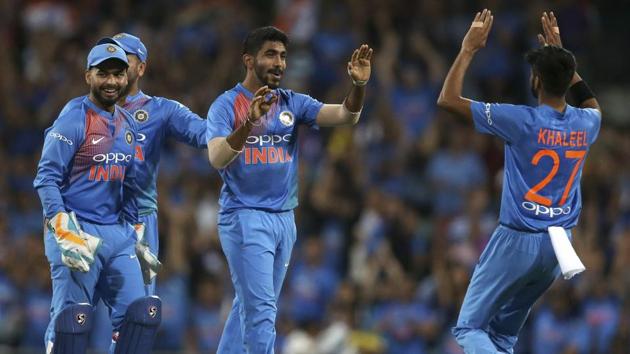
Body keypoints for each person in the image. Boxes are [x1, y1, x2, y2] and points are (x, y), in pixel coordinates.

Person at [436, 10, 601, 354]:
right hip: (558, 246)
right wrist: (565, 62)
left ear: (537, 81)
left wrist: (468, 49)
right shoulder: (586, 124)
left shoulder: (521, 120)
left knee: (469, 327)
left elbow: (448, 100)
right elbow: (590, 102)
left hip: (517, 239)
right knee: (502, 337)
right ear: (567, 77)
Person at [205, 26, 372, 353]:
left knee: (248, 306)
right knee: (263, 310)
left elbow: (346, 116)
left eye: (283, 56)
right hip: (245, 216)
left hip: (284, 219)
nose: (279, 63)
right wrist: (248, 124)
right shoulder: (226, 105)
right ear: (249, 61)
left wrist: (359, 86)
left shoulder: (291, 103)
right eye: (270, 54)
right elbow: (217, 157)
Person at [33, 42, 161, 354]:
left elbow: (129, 183)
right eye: (103, 73)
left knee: (141, 315)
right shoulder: (73, 119)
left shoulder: (128, 125)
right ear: (88, 76)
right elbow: (46, 178)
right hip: (76, 229)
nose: (112, 81)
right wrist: (62, 226)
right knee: (71, 324)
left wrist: (138, 234)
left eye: (118, 74)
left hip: (117, 235)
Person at [95, 32, 207, 295]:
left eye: (124, 57)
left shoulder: (161, 109)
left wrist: (246, 120)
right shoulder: (83, 110)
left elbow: (207, 134)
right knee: (82, 312)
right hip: (92, 216)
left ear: (141, 67)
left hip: (138, 220)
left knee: (139, 309)